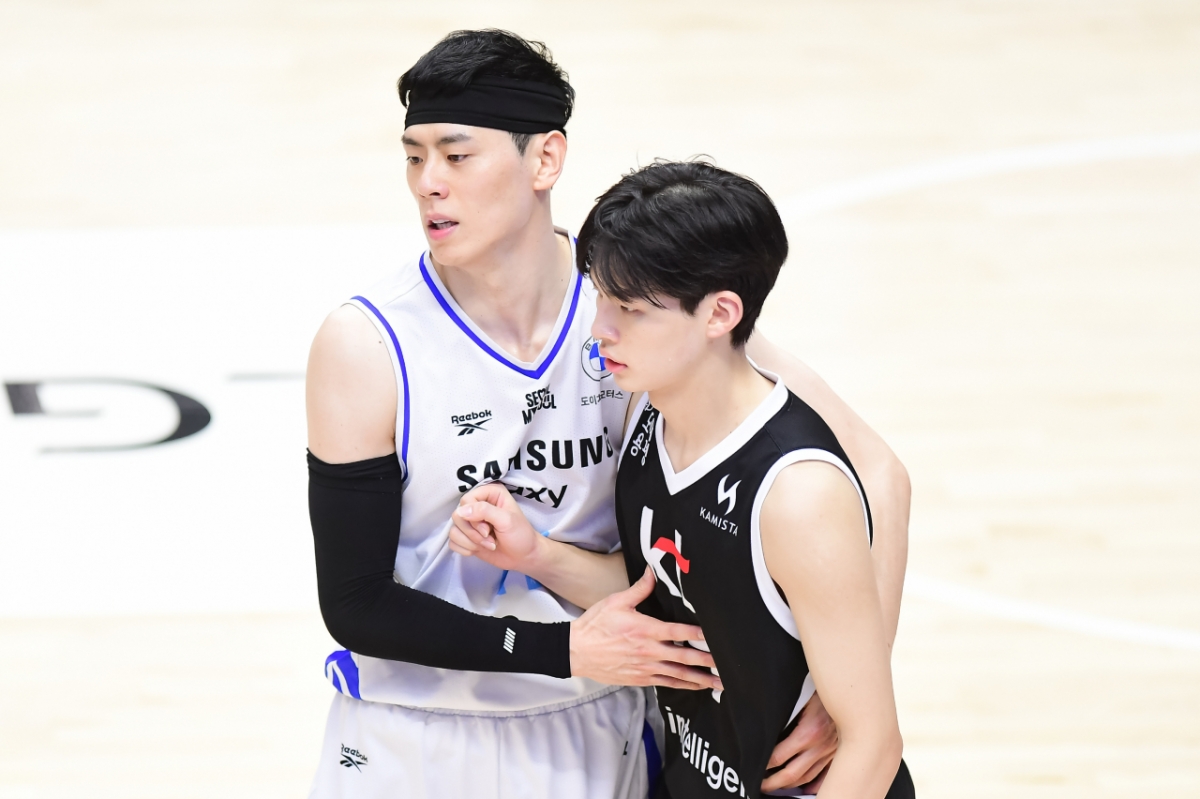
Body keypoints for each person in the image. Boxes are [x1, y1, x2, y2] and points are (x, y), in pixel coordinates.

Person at [306, 29, 910, 798]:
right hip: (415, 730)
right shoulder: (366, 343)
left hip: (604, 721)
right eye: (413, 157)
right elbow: (353, 602)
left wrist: (847, 692)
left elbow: (879, 475)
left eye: (456, 156)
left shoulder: (642, 309)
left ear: (545, 160)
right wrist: (560, 644)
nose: (429, 183)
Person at [450, 161, 914, 798]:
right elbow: (677, 589)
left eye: (630, 309)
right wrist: (536, 555)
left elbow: (873, 743)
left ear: (719, 314)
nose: (600, 329)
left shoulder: (796, 494)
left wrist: (853, 690)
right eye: (601, 299)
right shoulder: (651, 414)